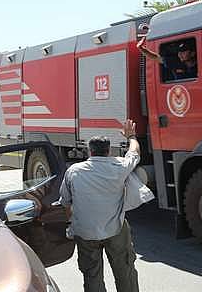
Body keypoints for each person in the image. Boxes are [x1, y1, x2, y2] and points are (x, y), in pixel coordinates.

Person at [59, 119, 140, 292]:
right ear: (108, 150)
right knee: (125, 271)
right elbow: (134, 153)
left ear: (90, 151)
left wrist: (72, 223)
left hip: (85, 232)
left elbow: (65, 202)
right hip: (115, 229)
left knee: (91, 276)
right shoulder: (119, 166)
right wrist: (131, 136)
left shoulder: (73, 171)